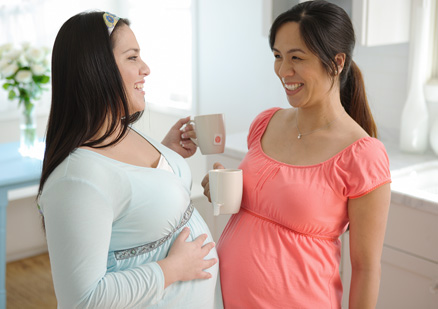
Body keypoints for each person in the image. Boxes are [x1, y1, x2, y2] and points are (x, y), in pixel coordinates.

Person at [202, 1, 391, 308]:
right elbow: (262, 208)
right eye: (277, 56)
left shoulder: (362, 154)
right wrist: (222, 190)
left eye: (296, 58)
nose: (283, 70)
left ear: (337, 62)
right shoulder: (265, 123)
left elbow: (367, 268)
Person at [37, 11, 223, 308]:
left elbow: (128, 193)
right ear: (96, 68)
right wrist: (171, 270)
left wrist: (167, 155)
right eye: (133, 57)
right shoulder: (75, 181)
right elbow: (82, 300)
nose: (145, 68)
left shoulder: (122, 131)